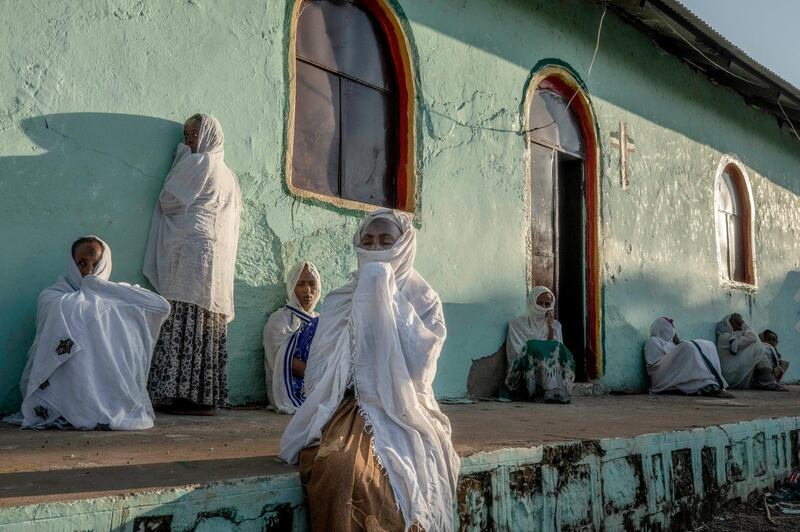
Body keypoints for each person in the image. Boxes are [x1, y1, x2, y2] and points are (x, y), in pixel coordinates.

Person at [279, 209, 460, 532]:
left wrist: (384, 298)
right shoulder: (340, 300)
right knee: (340, 467)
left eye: (386, 241)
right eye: (368, 241)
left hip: (404, 406)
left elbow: (420, 372)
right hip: (346, 404)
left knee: (401, 477)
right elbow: (319, 371)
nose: (376, 250)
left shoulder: (423, 300)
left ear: (404, 245)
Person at [3, 236, 170, 430]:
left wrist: (98, 286)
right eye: (82, 263)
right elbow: (64, 310)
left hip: (111, 390)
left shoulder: (120, 294)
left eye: (96, 264)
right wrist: (93, 292)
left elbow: (161, 306)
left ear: (106, 264)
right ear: (72, 265)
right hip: (64, 389)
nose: (89, 271)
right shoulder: (53, 295)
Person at [144, 114, 242, 415]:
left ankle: (174, 394)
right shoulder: (230, 176)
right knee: (205, 318)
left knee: (181, 314)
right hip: (217, 259)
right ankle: (203, 397)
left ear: (207, 135)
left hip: (191, 252)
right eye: (186, 134)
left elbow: (169, 201)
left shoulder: (199, 163)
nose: (188, 140)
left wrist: (181, 159)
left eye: (193, 134)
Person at [263, 261, 322, 414]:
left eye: (312, 284)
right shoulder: (280, 319)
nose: (308, 290)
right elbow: (280, 358)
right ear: (291, 287)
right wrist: (317, 377)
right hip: (292, 385)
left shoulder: (322, 320)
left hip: (319, 380)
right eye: (301, 284)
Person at [504, 286, 575, 403]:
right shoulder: (516, 324)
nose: (543, 307)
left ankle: (550, 390)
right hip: (524, 371)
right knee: (532, 346)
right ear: (531, 302)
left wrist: (550, 327)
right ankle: (531, 390)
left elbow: (556, 354)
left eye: (547, 304)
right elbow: (517, 353)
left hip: (547, 372)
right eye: (540, 303)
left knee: (557, 348)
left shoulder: (555, 325)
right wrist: (537, 352)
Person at [644, 317, 731, 397]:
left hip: (675, 372)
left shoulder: (672, 342)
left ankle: (710, 382)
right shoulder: (653, 341)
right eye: (670, 325)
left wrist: (678, 345)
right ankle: (706, 385)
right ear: (662, 327)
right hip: (662, 378)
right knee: (688, 346)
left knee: (708, 344)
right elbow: (654, 367)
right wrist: (679, 351)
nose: (673, 328)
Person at [716, 313, 785, 390]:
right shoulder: (725, 338)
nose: (740, 327)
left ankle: (766, 381)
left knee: (759, 348)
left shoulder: (735, 337)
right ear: (729, 324)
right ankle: (769, 382)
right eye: (738, 323)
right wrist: (744, 324)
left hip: (736, 373)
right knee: (757, 348)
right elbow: (753, 338)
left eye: (740, 324)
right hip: (730, 377)